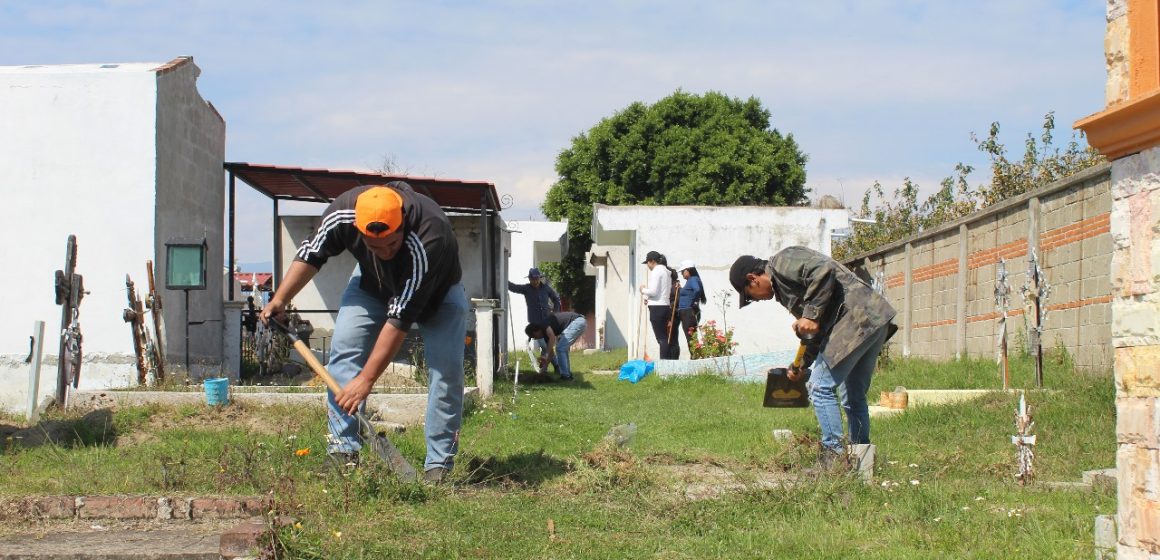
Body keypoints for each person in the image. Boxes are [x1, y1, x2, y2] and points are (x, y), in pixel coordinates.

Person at [260, 182, 468, 484]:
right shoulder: (343, 212)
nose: (384, 253)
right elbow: (311, 254)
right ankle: (344, 451)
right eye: (374, 247)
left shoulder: (429, 235)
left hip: (439, 295)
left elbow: (400, 319)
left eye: (391, 245)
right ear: (359, 229)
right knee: (344, 349)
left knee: (445, 371)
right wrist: (280, 299)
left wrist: (366, 381)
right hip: (372, 285)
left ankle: (438, 463)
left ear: (403, 225)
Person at [730, 247, 897, 467]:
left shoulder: (782, 261)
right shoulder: (783, 289)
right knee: (853, 396)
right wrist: (801, 364)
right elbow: (815, 330)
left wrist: (811, 314)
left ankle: (834, 458)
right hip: (872, 319)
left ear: (753, 279)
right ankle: (861, 460)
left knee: (820, 387)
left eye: (751, 296)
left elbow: (823, 270)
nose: (758, 300)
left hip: (855, 319)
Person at [508, 267, 561, 374]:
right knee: (545, 345)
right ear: (529, 279)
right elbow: (513, 287)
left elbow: (556, 299)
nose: (535, 281)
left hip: (546, 322)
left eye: (537, 279)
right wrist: (503, 279)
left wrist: (555, 312)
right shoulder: (526, 289)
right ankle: (554, 366)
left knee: (547, 345)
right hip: (535, 324)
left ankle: (548, 367)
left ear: (539, 278)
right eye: (532, 279)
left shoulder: (546, 288)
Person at [639, 251, 680, 359]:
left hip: (657, 308)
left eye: (647, 263)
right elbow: (661, 292)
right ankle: (666, 362)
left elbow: (653, 291)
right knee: (664, 338)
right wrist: (648, 297)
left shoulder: (657, 271)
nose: (648, 266)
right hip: (665, 306)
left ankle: (663, 364)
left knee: (661, 339)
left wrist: (642, 289)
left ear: (652, 261)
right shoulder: (666, 272)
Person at [525, 311, 587, 381]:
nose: (535, 338)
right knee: (562, 348)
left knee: (560, 348)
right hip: (577, 322)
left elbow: (552, 337)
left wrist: (546, 355)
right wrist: (543, 368)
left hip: (577, 321)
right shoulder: (545, 336)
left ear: (535, 331)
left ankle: (566, 377)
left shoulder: (543, 325)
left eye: (534, 336)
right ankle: (566, 375)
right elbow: (551, 354)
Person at [676, 260, 706, 355]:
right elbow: (689, 292)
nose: (681, 274)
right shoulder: (691, 280)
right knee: (691, 336)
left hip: (687, 312)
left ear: (688, 270)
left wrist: (693, 302)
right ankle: (695, 356)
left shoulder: (692, 279)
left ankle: (695, 357)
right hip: (687, 312)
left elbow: (697, 290)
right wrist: (680, 289)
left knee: (690, 337)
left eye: (682, 271)